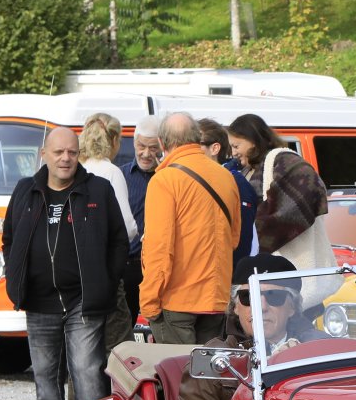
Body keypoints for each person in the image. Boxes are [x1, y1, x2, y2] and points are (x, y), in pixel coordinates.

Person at [0, 126, 128, 400]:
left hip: (83, 300)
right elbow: (9, 238)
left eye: (72, 152)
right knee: (45, 378)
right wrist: (15, 276)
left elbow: (119, 241)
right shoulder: (25, 191)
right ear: (44, 154)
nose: (66, 158)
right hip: (38, 301)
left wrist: (106, 281)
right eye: (58, 152)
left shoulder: (97, 190)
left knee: (87, 373)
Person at [171, 254, 326, 400]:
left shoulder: (320, 349)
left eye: (274, 296)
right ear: (236, 307)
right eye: (248, 297)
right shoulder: (213, 361)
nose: (261, 307)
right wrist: (270, 372)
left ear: (292, 307)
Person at [140, 112, 242, 346]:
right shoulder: (226, 177)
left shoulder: (164, 180)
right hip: (215, 298)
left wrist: (149, 302)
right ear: (197, 138)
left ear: (162, 143)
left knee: (178, 368)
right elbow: (234, 239)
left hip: (176, 300)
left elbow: (159, 248)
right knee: (207, 369)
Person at [227, 113, 335, 309]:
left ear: (252, 140)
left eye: (236, 146)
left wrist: (253, 234)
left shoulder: (285, 160)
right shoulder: (249, 170)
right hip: (262, 276)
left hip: (292, 272)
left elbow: (309, 191)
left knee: (294, 322)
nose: (233, 153)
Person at [80, 114, 141, 349]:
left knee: (85, 343)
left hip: (76, 274)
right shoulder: (111, 171)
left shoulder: (75, 169)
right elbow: (127, 225)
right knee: (119, 344)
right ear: (114, 140)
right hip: (106, 271)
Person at [195, 118, 258, 267]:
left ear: (214, 149)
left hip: (230, 273)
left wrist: (233, 275)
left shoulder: (235, 182)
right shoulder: (197, 180)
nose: (189, 150)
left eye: (196, 144)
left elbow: (244, 237)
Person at [119, 113, 162, 320]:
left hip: (159, 268)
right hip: (128, 265)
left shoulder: (171, 177)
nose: (146, 154)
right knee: (123, 328)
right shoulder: (121, 176)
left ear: (162, 146)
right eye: (141, 146)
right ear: (134, 142)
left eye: (153, 148)